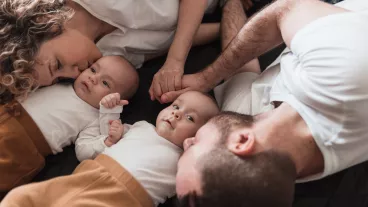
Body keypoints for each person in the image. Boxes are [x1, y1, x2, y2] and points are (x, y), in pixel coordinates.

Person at [172, 0, 368, 206]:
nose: (186, 141)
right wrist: (205, 79)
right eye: (193, 147)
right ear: (242, 142)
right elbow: (286, 8)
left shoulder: (270, 167)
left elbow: (242, 67)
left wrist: (231, 4)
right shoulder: (344, 78)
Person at [0, 91, 220, 207]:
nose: (176, 114)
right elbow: (107, 132)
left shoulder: (185, 158)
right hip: (88, 174)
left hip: (125, 198)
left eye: (190, 117)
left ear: (198, 136)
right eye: (176, 106)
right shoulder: (142, 127)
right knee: (25, 197)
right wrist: (110, 111)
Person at [0, 0, 219, 104]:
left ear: (45, 23)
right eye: (59, 79)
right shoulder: (105, 58)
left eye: (57, 65)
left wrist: (175, 60)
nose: (75, 75)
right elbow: (177, 36)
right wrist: (230, 20)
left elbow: (176, 48)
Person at [0, 56, 139, 195]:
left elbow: (83, 151)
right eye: (93, 69)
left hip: (22, 146)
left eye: (105, 83)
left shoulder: (95, 118)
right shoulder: (63, 80)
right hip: (7, 112)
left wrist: (106, 141)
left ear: (117, 100)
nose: (93, 78)